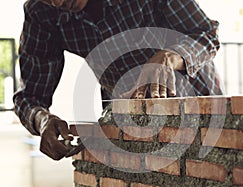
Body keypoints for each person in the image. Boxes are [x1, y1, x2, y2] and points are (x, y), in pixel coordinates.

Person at [14, 0, 222, 160]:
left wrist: (170, 57)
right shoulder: (40, 13)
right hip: (133, 123)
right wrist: (42, 121)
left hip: (200, 107)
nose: (58, 3)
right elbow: (30, 97)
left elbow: (206, 34)